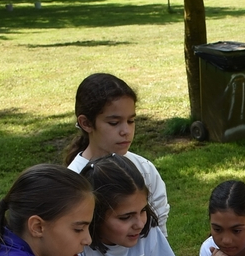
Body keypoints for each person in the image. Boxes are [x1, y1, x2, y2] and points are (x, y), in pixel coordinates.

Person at [65, 73, 169, 235]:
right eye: (114, 123)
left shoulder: (145, 169)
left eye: (131, 121)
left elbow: (159, 232)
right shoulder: (72, 182)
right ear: (86, 123)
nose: (126, 131)